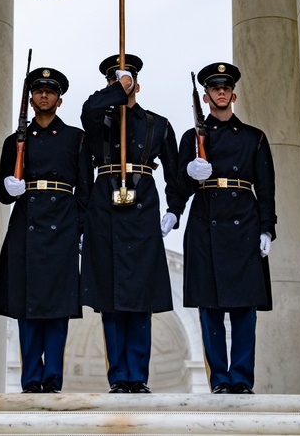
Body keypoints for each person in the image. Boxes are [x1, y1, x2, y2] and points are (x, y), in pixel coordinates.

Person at [79, 54, 185, 394]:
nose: (122, 87)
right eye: (114, 82)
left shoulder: (158, 124)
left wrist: (175, 208)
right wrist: (115, 92)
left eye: (126, 82)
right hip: (104, 209)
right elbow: (88, 109)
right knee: (110, 299)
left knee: (141, 297)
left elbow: (175, 172)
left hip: (141, 208)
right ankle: (117, 377)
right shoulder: (99, 121)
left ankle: (137, 376)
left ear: (137, 85)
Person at [0, 67, 92, 393]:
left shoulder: (76, 138)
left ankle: (53, 379)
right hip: (27, 226)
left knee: (58, 306)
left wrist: (78, 229)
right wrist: (9, 185)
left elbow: (86, 191)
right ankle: (31, 379)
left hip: (61, 225)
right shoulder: (15, 141)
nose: (43, 95)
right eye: (38, 91)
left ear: (59, 99)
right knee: (27, 305)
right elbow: (2, 192)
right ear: (31, 99)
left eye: (50, 91)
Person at [177, 62, 275, 395]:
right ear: (205, 97)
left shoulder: (254, 138)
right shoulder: (192, 138)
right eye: (215, 88)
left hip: (244, 225)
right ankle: (219, 378)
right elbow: (178, 187)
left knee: (245, 309)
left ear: (234, 94)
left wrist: (266, 228)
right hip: (206, 226)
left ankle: (242, 378)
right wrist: (191, 174)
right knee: (211, 309)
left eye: (226, 87)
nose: (221, 92)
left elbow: (265, 187)